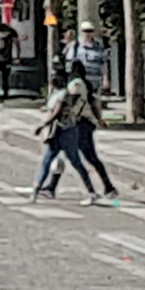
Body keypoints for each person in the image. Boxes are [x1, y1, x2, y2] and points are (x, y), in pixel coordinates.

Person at [43, 61, 119, 200]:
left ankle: (55, 187)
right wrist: (99, 120)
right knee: (89, 158)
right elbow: (93, 104)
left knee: (68, 157)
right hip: (86, 125)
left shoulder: (74, 85)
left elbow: (69, 103)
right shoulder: (87, 85)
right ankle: (108, 187)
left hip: (74, 125)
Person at [32, 69, 101, 202]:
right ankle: (90, 191)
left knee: (51, 161)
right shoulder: (60, 93)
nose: (52, 78)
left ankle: (36, 190)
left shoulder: (64, 95)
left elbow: (57, 113)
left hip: (62, 131)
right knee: (70, 162)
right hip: (68, 130)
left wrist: (42, 125)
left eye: (55, 76)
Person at [64, 20, 110, 95]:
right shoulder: (74, 46)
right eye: (85, 31)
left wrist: (105, 80)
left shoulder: (100, 47)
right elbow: (68, 64)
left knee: (95, 105)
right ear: (81, 32)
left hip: (95, 83)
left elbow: (104, 64)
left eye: (90, 31)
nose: (87, 33)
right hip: (79, 84)